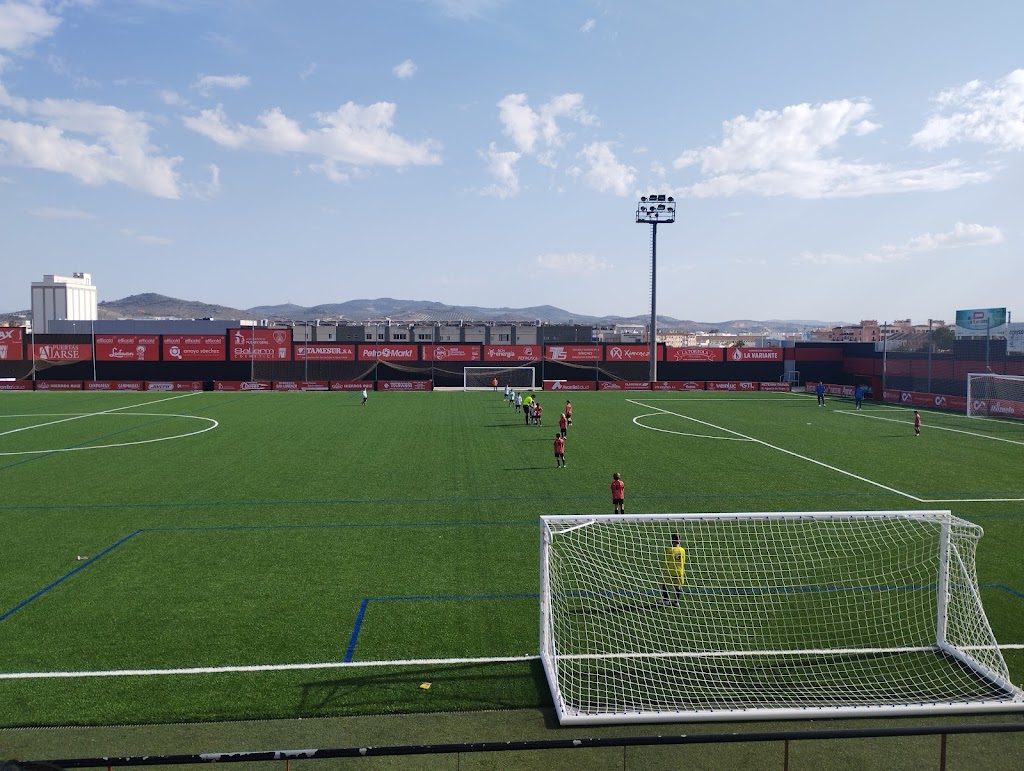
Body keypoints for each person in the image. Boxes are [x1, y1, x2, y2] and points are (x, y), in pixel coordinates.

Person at [661, 533, 687, 607]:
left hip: (670, 571)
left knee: (664, 584)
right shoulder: (682, 550)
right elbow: (683, 561)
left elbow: (666, 561)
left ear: (672, 540)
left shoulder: (669, 550)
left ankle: (666, 601)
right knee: (677, 587)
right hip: (679, 572)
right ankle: (676, 602)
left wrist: (664, 570)